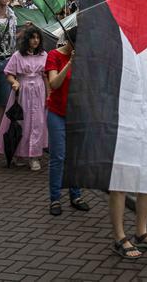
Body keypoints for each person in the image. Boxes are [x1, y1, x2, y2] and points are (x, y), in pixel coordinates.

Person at [44, 30, 90, 215]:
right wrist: (70, 63)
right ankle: (55, 199)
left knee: (75, 157)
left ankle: (76, 195)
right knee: (58, 157)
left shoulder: (85, 59)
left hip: (77, 114)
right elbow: (54, 84)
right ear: (71, 43)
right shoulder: (53, 56)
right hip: (57, 113)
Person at [0, 27, 48, 170]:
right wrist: (15, 82)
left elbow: (46, 76)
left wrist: (49, 94)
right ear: (27, 39)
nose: (35, 40)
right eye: (32, 37)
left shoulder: (44, 55)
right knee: (21, 121)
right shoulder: (18, 55)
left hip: (38, 90)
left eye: (38, 38)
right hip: (22, 91)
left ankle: (34, 156)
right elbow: (9, 74)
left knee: (37, 122)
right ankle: (19, 153)